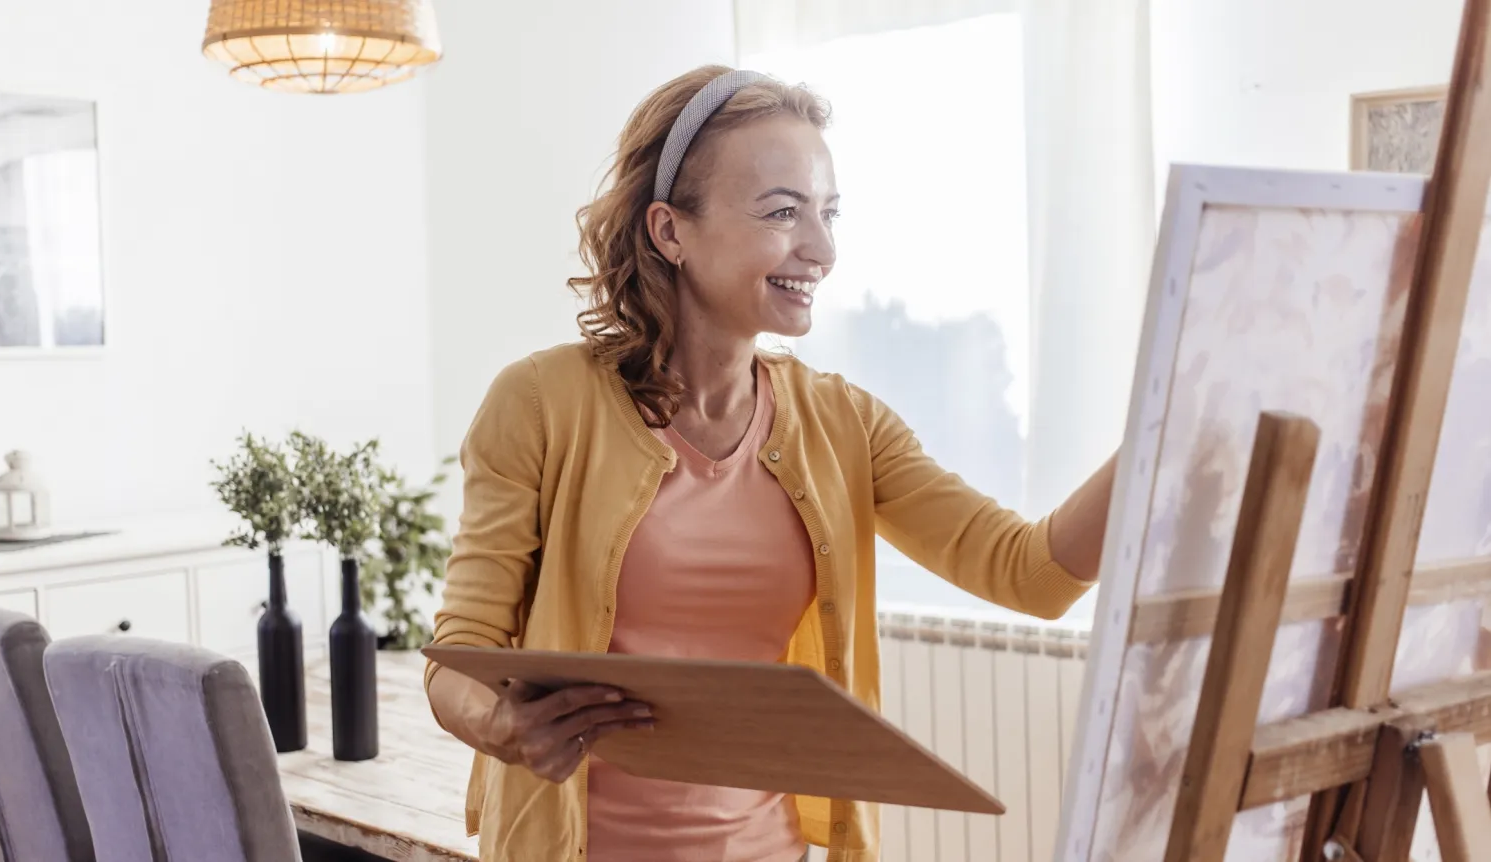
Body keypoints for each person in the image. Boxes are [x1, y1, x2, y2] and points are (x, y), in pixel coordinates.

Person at [424, 64, 1116, 862]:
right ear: (668, 231)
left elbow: (1028, 572)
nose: (820, 248)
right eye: (783, 212)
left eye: (828, 213)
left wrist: (1167, 427)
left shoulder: (843, 422)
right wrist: (500, 726)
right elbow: (459, 658)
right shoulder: (541, 403)